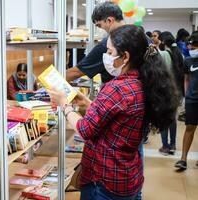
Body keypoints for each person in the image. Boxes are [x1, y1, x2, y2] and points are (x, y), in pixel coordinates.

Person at [48, 25, 179, 200]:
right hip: (128, 175)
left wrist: (65, 105)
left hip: (104, 181)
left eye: (110, 52)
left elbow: (85, 130)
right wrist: (89, 103)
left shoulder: (116, 89)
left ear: (125, 57)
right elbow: (118, 115)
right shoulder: (144, 81)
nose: (106, 58)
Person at [66, 1, 125, 83]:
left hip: (115, 92)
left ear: (109, 20)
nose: (100, 29)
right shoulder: (141, 37)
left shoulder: (109, 44)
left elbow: (76, 72)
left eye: (99, 25)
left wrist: (49, 81)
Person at [158, 31, 184, 155]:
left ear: (163, 42)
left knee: (163, 119)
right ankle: (173, 145)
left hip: (164, 91)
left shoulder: (162, 54)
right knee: (172, 119)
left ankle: (165, 146)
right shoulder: (180, 54)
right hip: (177, 91)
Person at [175, 31, 198, 170]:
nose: (192, 50)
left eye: (195, 47)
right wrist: (186, 95)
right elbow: (186, 79)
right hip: (192, 99)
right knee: (190, 127)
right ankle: (183, 159)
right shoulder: (188, 61)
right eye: (191, 47)